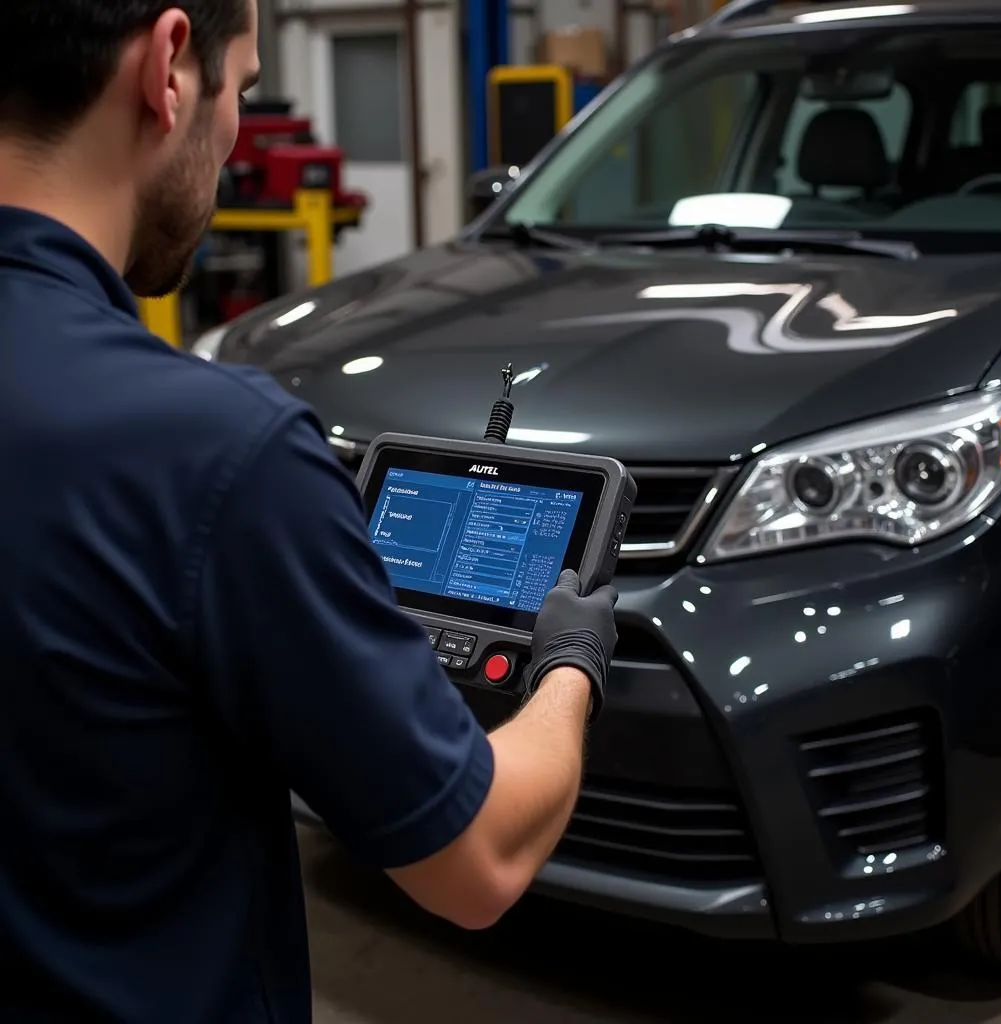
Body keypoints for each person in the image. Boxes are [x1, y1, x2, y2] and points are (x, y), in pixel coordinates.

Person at [0, 2, 619, 1022]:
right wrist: (568, 668)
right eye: (240, 86)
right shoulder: (214, 452)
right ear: (168, 68)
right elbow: (479, 859)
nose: (238, 130)